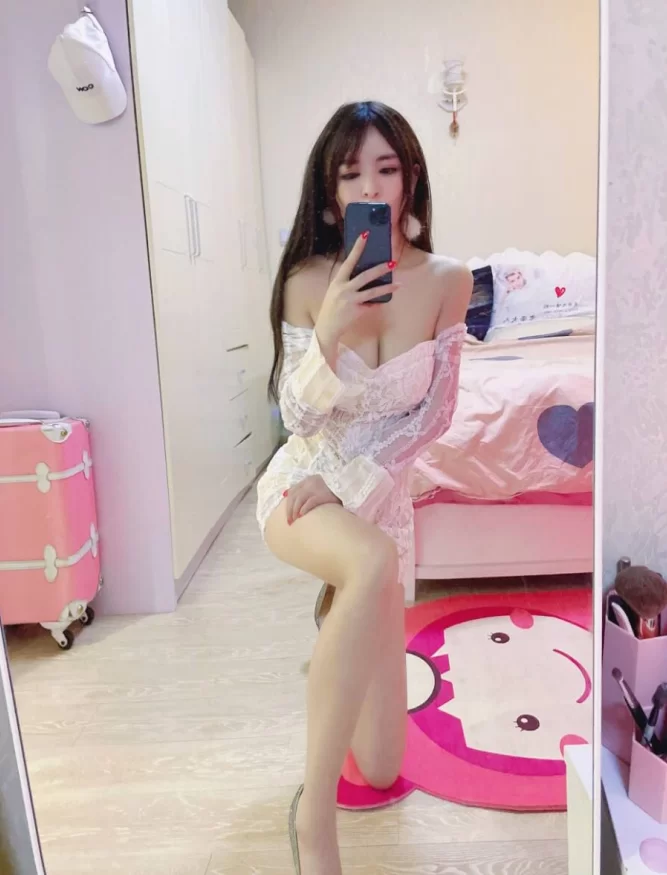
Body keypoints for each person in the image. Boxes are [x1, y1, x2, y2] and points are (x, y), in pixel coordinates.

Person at [255, 100, 473, 875]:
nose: (371, 188)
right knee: (368, 559)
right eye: (352, 174)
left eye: (386, 168)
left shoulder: (448, 280)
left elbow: (434, 416)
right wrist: (329, 330)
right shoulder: (307, 281)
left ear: (411, 178)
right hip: (302, 486)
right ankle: (313, 819)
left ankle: (339, 618)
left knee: (381, 766)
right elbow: (296, 417)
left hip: (376, 497)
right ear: (329, 192)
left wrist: (355, 487)